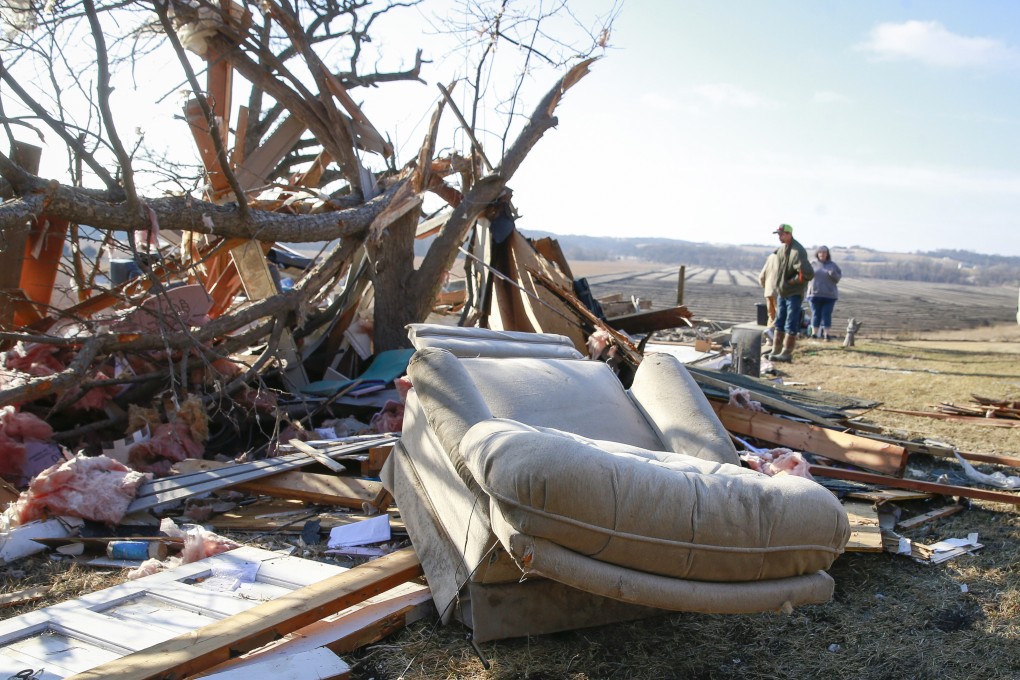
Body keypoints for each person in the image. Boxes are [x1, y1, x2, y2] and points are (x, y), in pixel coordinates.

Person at [767, 224, 813, 362]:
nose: (779, 237)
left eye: (781, 234)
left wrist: (791, 282)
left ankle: (787, 353)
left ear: (789, 234)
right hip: (782, 292)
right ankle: (776, 349)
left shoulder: (798, 251)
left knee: (791, 322)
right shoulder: (781, 250)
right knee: (780, 321)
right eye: (778, 235)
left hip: (794, 293)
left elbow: (807, 274)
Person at [806, 246, 842, 341]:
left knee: (827, 314)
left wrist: (833, 274)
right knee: (815, 314)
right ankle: (814, 334)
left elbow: (838, 278)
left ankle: (826, 335)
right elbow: (805, 276)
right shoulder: (812, 264)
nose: (822, 254)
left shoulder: (833, 265)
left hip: (829, 295)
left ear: (827, 254)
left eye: (824, 252)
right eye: (820, 252)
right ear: (817, 254)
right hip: (814, 294)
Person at [758, 251, 780, 349]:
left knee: (771, 315)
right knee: (780, 315)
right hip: (779, 291)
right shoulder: (784, 258)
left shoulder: (770, 258)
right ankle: (771, 332)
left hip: (768, 291)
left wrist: (765, 287)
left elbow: (762, 276)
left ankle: (769, 341)